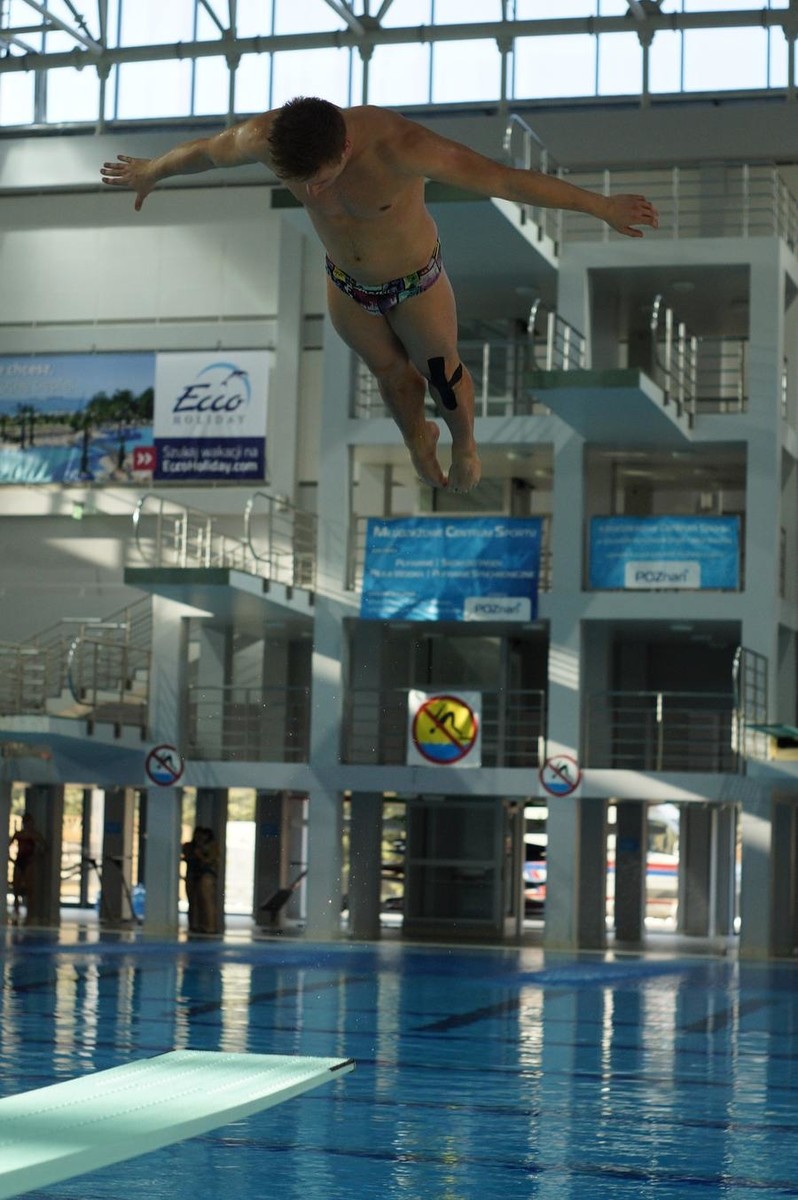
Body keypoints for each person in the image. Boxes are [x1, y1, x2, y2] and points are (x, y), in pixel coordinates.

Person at [101, 97, 659, 494]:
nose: (314, 191)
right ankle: (418, 441)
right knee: (392, 378)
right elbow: (204, 152)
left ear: (345, 147)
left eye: (322, 178)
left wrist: (601, 206)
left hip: (417, 281)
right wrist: (152, 170)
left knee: (441, 373)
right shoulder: (263, 138)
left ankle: (464, 443)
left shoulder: (402, 146)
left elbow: (504, 180)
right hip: (347, 284)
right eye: (303, 183)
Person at [8, 811, 45, 923]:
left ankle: (30, 914)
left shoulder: (35, 835)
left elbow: (44, 847)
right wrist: (11, 859)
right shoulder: (19, 834)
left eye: (29, 823)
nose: (27, 825)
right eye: (25, 822)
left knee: (30, 890)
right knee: (16, 889)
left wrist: (36, 857)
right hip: (19, 861)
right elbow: (7, 845)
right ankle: (16, 911)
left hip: (29, 862)